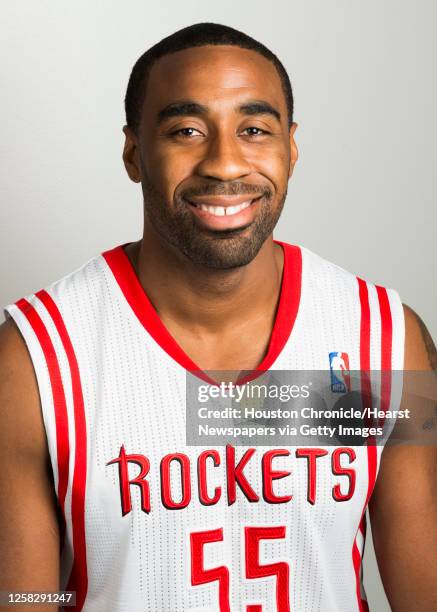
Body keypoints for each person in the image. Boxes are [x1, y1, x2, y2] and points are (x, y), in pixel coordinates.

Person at [0, 22, 436, 612]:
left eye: (254, 129)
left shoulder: (384, 340)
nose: (226, 163)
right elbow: (25, 596)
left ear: (291, 147)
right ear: (133, 152)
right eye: (186, 130)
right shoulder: (32, 359)